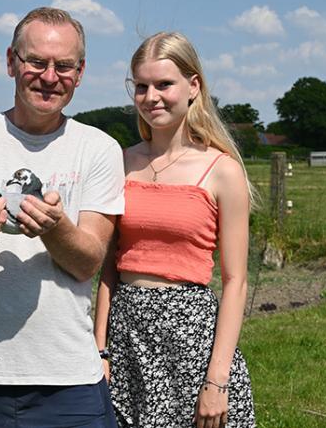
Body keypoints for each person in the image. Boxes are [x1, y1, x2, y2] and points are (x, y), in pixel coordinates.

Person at [0, 7, 124, 427]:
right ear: (11, 61)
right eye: (36, 61)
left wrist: (55, 227)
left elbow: (88, 262)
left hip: (68, 381)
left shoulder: (100, 148)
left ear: (80, 72)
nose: (50, 77)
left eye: (64, 65)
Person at [94, 32, 257, 428]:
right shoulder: (120, 163)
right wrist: (99, 351)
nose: (152, 97)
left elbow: (235, 281)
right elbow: (109, 268)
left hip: (192, 341)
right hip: (127, 336)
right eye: (142, 86)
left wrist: (217, 380)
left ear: (193, 87)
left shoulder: (222, 171)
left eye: (164, 84)